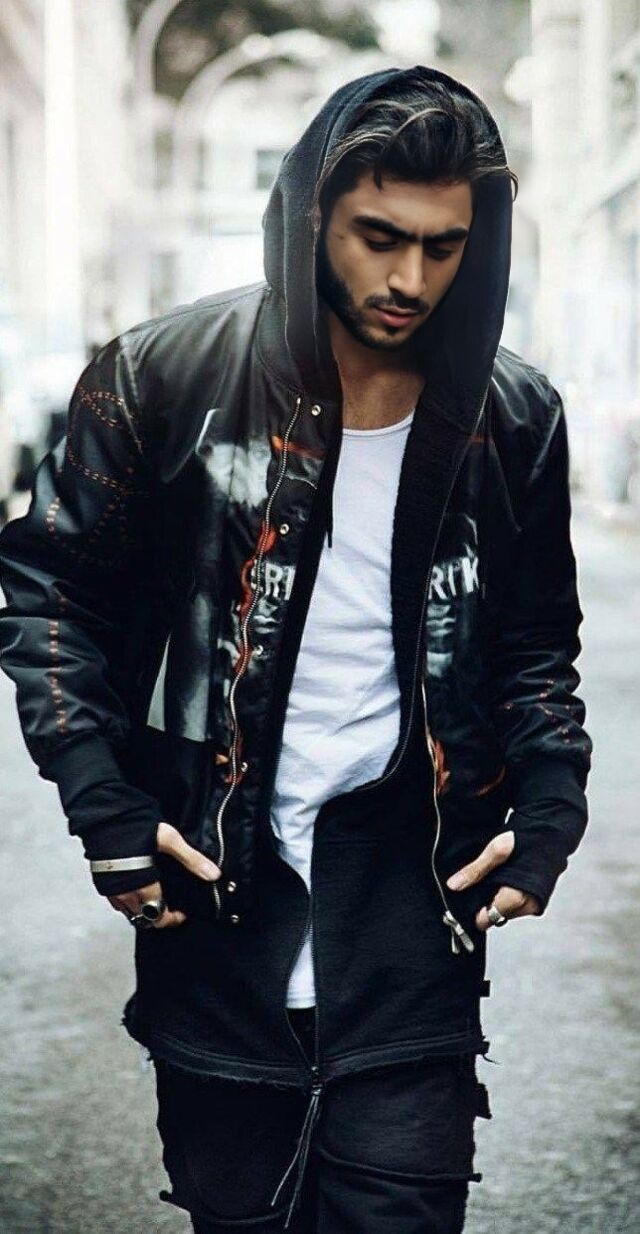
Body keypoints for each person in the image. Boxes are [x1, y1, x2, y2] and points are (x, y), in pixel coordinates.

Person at [0, 64, 592, 1233]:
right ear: (313, 215)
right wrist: (105, 808)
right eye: (379, 237)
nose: (409, 278)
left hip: (414, 921)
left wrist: (549, 802)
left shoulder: (513, 416)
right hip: (215, 915)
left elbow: (534, 640)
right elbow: (47, 593)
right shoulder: (163, 378)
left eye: (442, 246)